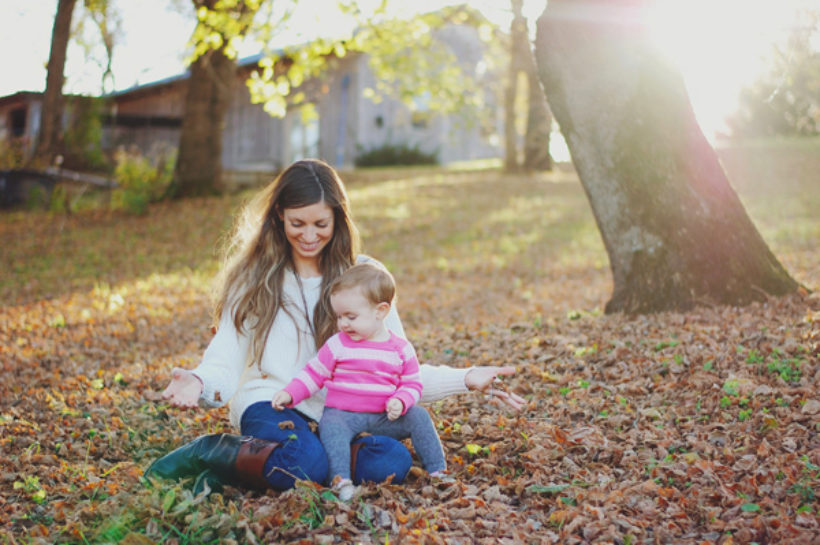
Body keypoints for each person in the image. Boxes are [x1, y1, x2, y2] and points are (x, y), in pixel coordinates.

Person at [144, 158, 525, 495]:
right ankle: (210, 451)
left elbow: (397, 369)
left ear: (338, 218)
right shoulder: (255, 279)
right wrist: (199, 381)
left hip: (339, 413)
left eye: (320, 224)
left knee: (391, 462)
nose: (309, 236)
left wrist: (467, 377)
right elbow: (227, 352)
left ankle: (299, 462)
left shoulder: (364, 277)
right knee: (305, 465)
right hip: (271, 401)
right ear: (278, 214)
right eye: (298, 223)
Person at [272, 262, 446, 500]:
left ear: (381, 311)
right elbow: (314, 374)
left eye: (351, 316)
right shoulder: (338, 344)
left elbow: (413, 384)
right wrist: (290, 393)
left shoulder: (400, 349)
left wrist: (402, 400)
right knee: (331, 426)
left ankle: (437, 470)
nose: (343, 323)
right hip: (343, 414)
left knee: (419, 416)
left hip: (384, 416)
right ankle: (341, 480)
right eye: (339, 317)